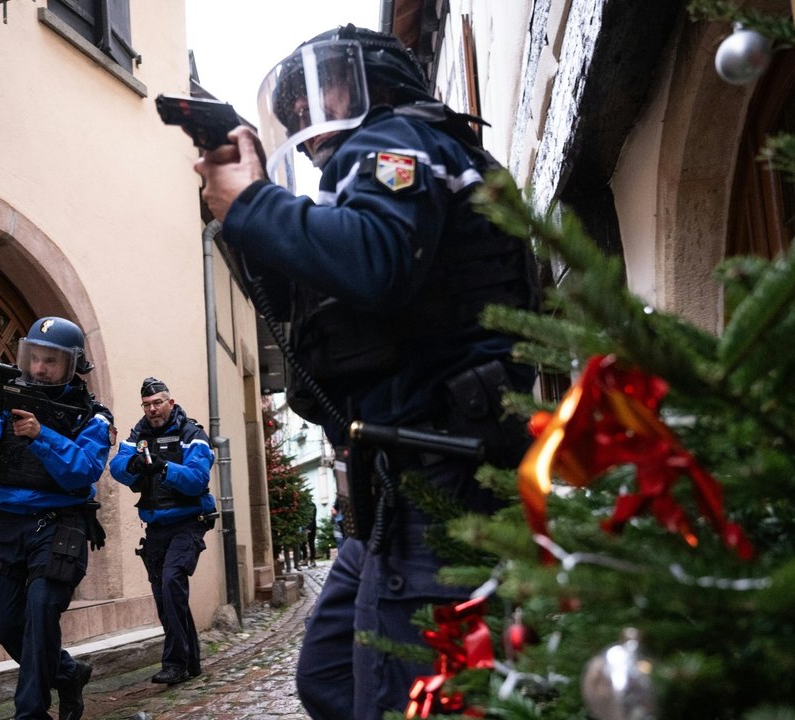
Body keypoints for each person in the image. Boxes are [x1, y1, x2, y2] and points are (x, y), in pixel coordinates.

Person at [193, 24, 539, 720]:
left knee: (403, 699)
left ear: (377, 82)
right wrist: (248, 196)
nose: (306, 120)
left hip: (441, 467)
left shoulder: (397, 143)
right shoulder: (381, 168)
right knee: (329, 673)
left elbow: (373, 262)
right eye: (292, 111)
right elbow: (319, 300)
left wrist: (255, 204)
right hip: (400, 478)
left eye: (320, 95)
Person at [0, 316, 114, 720]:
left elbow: (83, 471)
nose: (40, 368)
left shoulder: (92, 418)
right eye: (35, 358)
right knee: (3, 619)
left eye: (51, 361)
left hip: (61, 524)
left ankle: (30, 713)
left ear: (72, 366)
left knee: (41, 612)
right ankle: (67, 673)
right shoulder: (12, 399)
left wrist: (42, 435)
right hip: (8, 524)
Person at [108, 377, 216, 686]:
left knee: (171, 583)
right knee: (166, 595)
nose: (152, 409)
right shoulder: (138, 433)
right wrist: (137, 467)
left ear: (170, 402)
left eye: (157, 403)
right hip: (156, 527)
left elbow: (197, 478)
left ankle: (174, 664)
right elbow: (117, 467)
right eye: (147, 404)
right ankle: (191, 660)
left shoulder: (191, 433)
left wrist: (164, 468)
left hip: (188, 523)